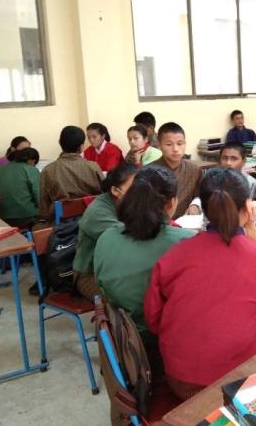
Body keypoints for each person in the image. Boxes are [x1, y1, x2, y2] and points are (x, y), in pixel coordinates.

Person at [144, 167, 256, 402]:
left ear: (203, 207)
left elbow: (153, 320)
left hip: (181, 380)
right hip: (238, 383)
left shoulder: (174, 254)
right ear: (248, 206)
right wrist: (251, 229)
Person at [94, 165, 195, 347]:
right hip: (166, 342)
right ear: (171, 202)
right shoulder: (186, 242)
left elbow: (102, 285)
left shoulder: (106, 237)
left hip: (121, 338)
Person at [73, 163, 139, 301]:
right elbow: (127, 237)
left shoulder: (129, 203)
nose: (139, 194)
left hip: (122, 268)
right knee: (131, 298)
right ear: (115, 190)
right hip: (91, 274)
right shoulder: (97, 213)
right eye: (133, 189)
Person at [39, 126, 104, 221]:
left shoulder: (48, 171)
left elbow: (44, 209)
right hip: (94, 218)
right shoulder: (93, 167)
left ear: (60, 143)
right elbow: (106, 194)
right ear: (81, 147)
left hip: (62, 222)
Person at [151, 122, 202, 218]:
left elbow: (201, 194)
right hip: (157, 223)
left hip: (186, 222)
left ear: (185, 144)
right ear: (159, 145)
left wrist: (196, 204)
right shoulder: (149, 172)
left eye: (179, 143)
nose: (175, 149)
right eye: (169, 144)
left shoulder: (194, 170)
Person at [0, 147, 41, 229]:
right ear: (31, 161)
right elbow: (38, 196)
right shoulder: (31, 170)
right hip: (26, 216)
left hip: (1, 217)